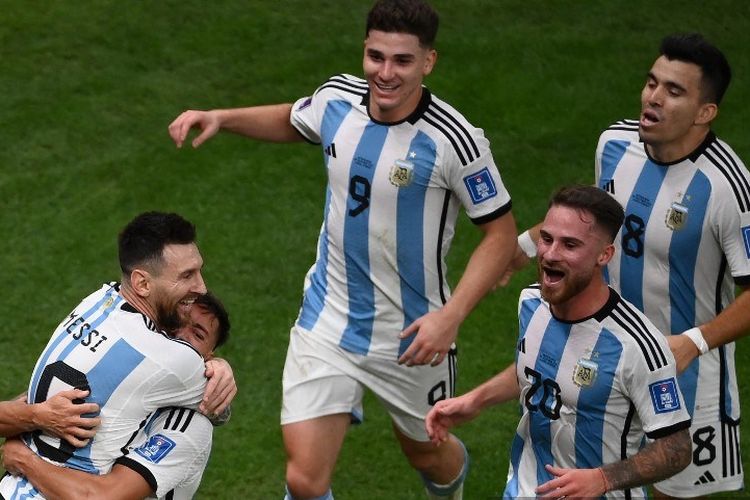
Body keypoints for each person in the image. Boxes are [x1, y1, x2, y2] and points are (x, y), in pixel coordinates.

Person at [168, 1, 517, 498]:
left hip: (415, 335)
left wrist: (452, 316)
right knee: (304, 479)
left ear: (428, 62)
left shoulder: (454, 140)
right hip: (327, 320)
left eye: (402, 61)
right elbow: (295, 120)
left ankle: (451, 482)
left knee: (428, 454)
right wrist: (223, 117)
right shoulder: (338, 100)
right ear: (364, 52)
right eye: (376, 57)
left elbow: (501, 234)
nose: (386, 72)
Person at [508, 33, 749, 498]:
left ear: (705, 113)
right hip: (602, 364)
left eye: (673, 91)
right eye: (652, 82)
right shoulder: (616, 144)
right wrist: (522, 246)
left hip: (686, 377)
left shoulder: (727, 189)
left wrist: (691, 343)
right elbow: (595, 220)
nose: (653, 98)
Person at [426, 184, 692, 498]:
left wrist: (602, 479)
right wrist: (476, 400)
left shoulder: (637, 346)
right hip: (524, 490)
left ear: (604, 255)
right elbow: (538, 370)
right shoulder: (531, 305)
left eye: (570, 245)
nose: (551, 254)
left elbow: (676, 448)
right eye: (547, 239)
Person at [0, 212, 236, 499]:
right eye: (187, 275)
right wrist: (218, 371)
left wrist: (31, 422)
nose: (201, 287)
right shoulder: (170, 360)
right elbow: (217, 408)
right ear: (143, 283)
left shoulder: (97, 302)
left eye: (198, 271)